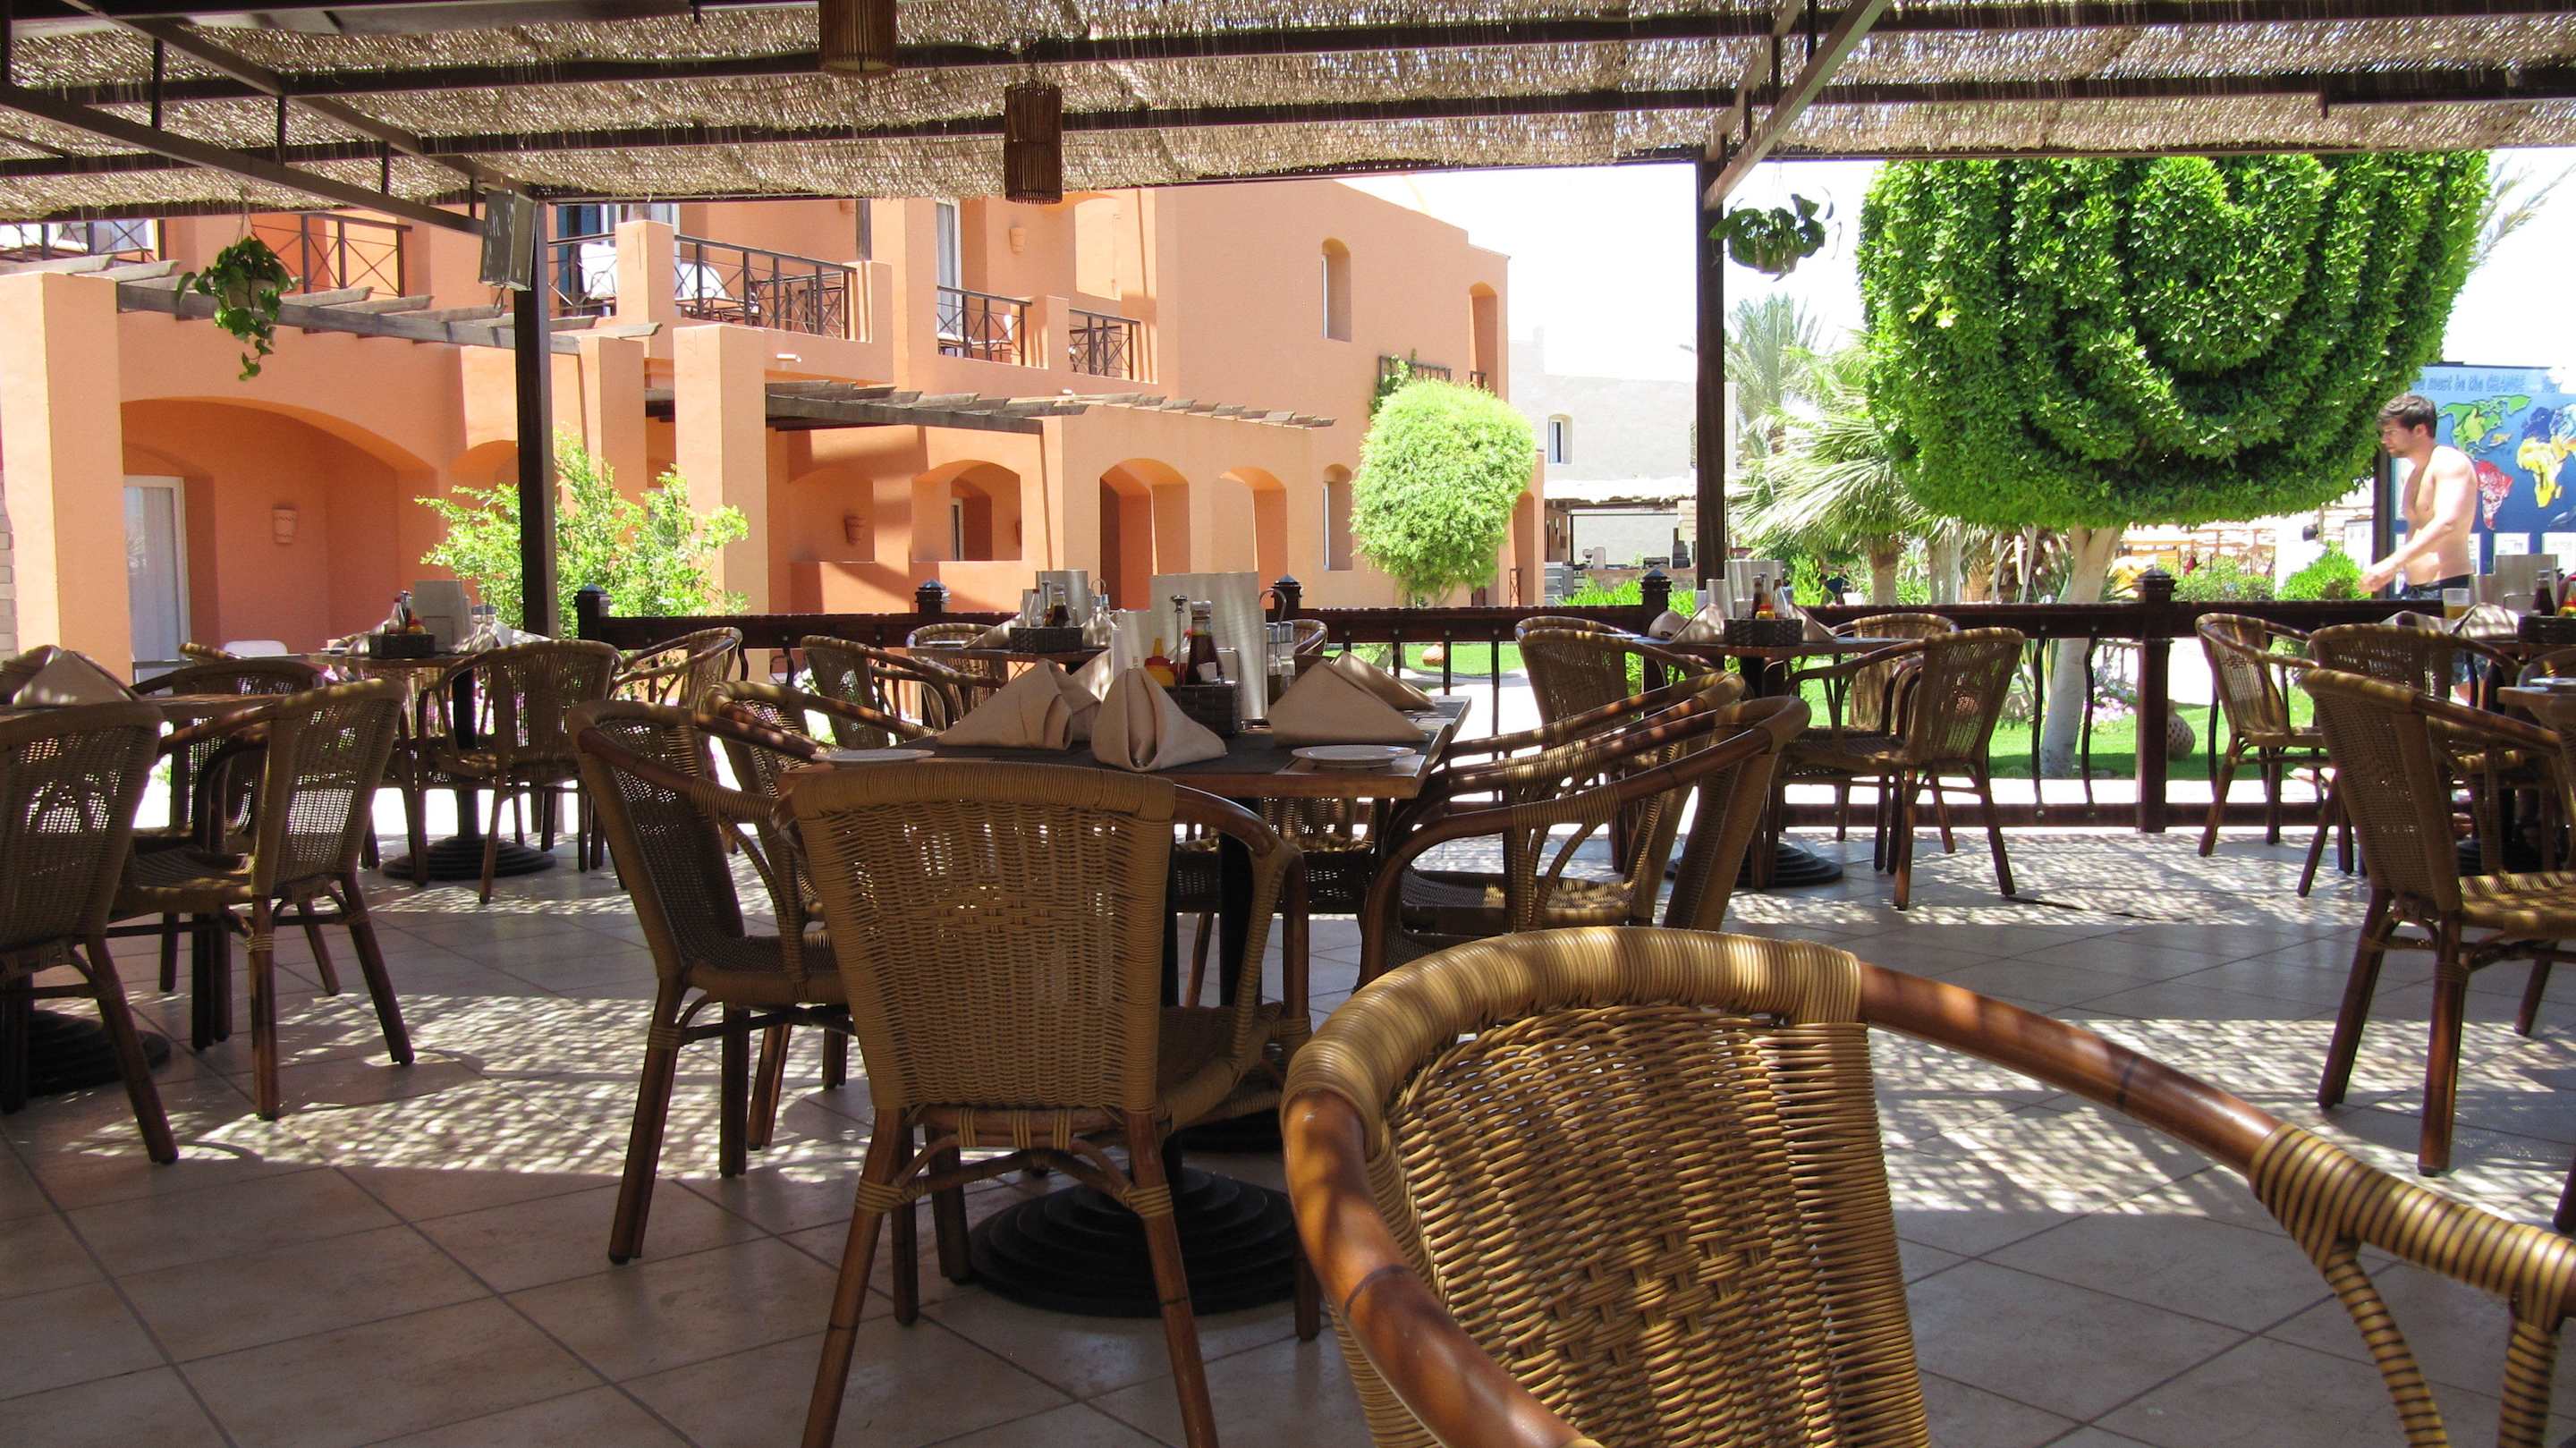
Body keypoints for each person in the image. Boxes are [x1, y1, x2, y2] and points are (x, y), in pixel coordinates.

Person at [2360, 392, 2477, 599]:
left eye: (2391, 432)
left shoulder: (2449, 462)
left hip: (2447, 588)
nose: (2384, 440)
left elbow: (2447, 523)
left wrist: (2392, 563)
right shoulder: (2414, 473)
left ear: (2420, 430)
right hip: (2413, 589)